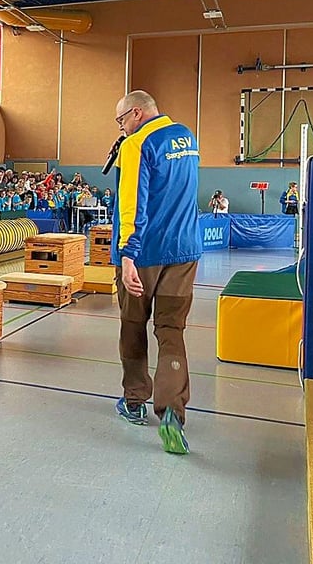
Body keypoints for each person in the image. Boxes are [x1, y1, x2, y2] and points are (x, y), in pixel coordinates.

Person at [111, 90, 202, 455]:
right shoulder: (187, 138)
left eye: (121, 121)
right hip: (184, 253)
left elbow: (133, 202)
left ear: (136, 113)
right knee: (171, 331)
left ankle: (134, 402)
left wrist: (128, 255)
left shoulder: (136, 145)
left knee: (133, 326)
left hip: (145, 253)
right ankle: (172, 416)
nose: (121, 128)